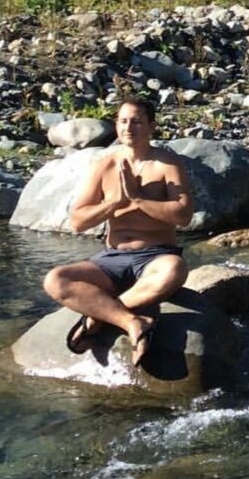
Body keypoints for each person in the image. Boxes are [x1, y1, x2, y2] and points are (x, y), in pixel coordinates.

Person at [43, 96, 193, 366]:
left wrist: (137, 199)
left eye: (136, 121)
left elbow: (183, 216)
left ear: (151, 126)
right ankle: (130, 321)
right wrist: (114, 203)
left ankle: (98, 314)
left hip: (156, 257)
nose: (128, 127)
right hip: (112, 259)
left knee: (175, 270)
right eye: (123, 121)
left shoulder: (167, 164)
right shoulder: (105, 165)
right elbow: (77, 221)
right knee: (55, 280)